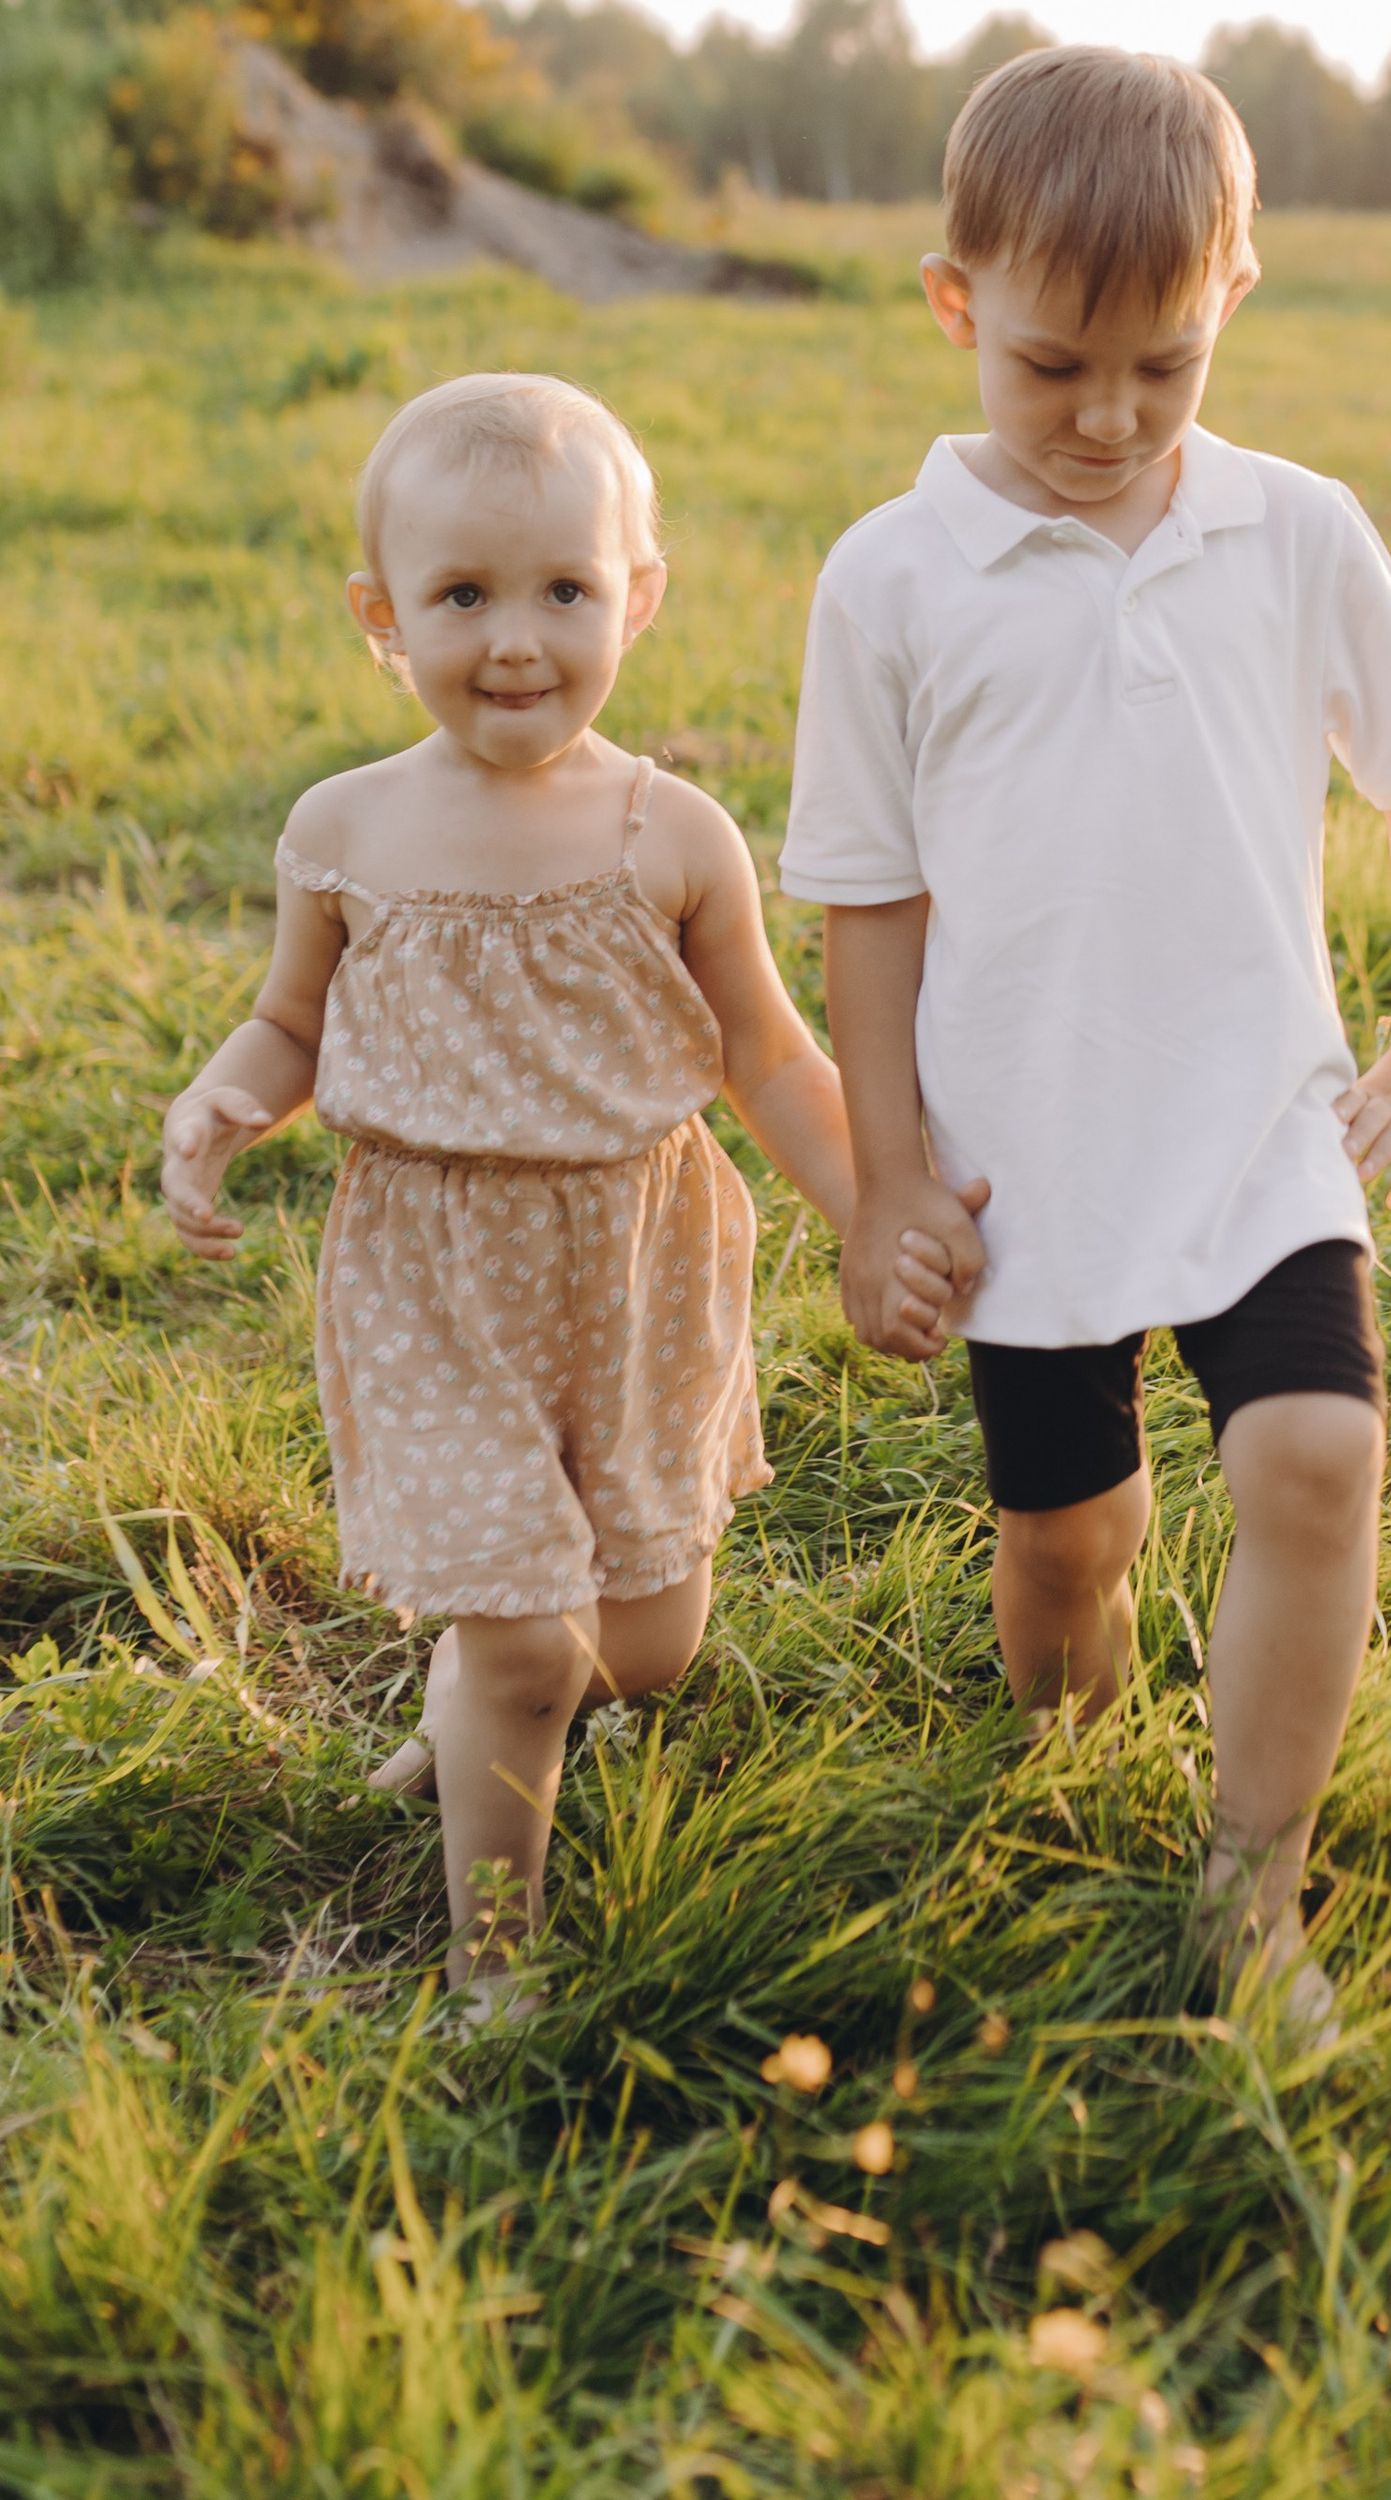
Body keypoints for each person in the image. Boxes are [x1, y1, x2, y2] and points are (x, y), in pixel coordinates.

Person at [781, 45, 1391, 2032]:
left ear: (1232, 303)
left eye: (1160, 370)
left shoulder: (1296, 533)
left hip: (1257, 1119)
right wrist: (888, 1174)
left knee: (1315, 1456)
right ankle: (1060, 1758)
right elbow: (866, 896)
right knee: (1066, 1554)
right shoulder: (891, 579)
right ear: (954, 306)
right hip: (1025, 1157)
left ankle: (1248, 1883)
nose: (1106, 418)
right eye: (1049, 368)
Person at [157, 372, 856, 2011]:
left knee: (649, 1642)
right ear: (381, 614)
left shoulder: (672, 832)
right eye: (463, 595)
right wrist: (222, 1100)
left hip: (641, 1264)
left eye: (566, 589)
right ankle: (497, 1961)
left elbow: (767, 1053)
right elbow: (289, 1026)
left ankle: (474, 1685)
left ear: (642, 598)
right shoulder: (346, 829)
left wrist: (874, 1208)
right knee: (538, 1644)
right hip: (435, 1273)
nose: (518, 638)